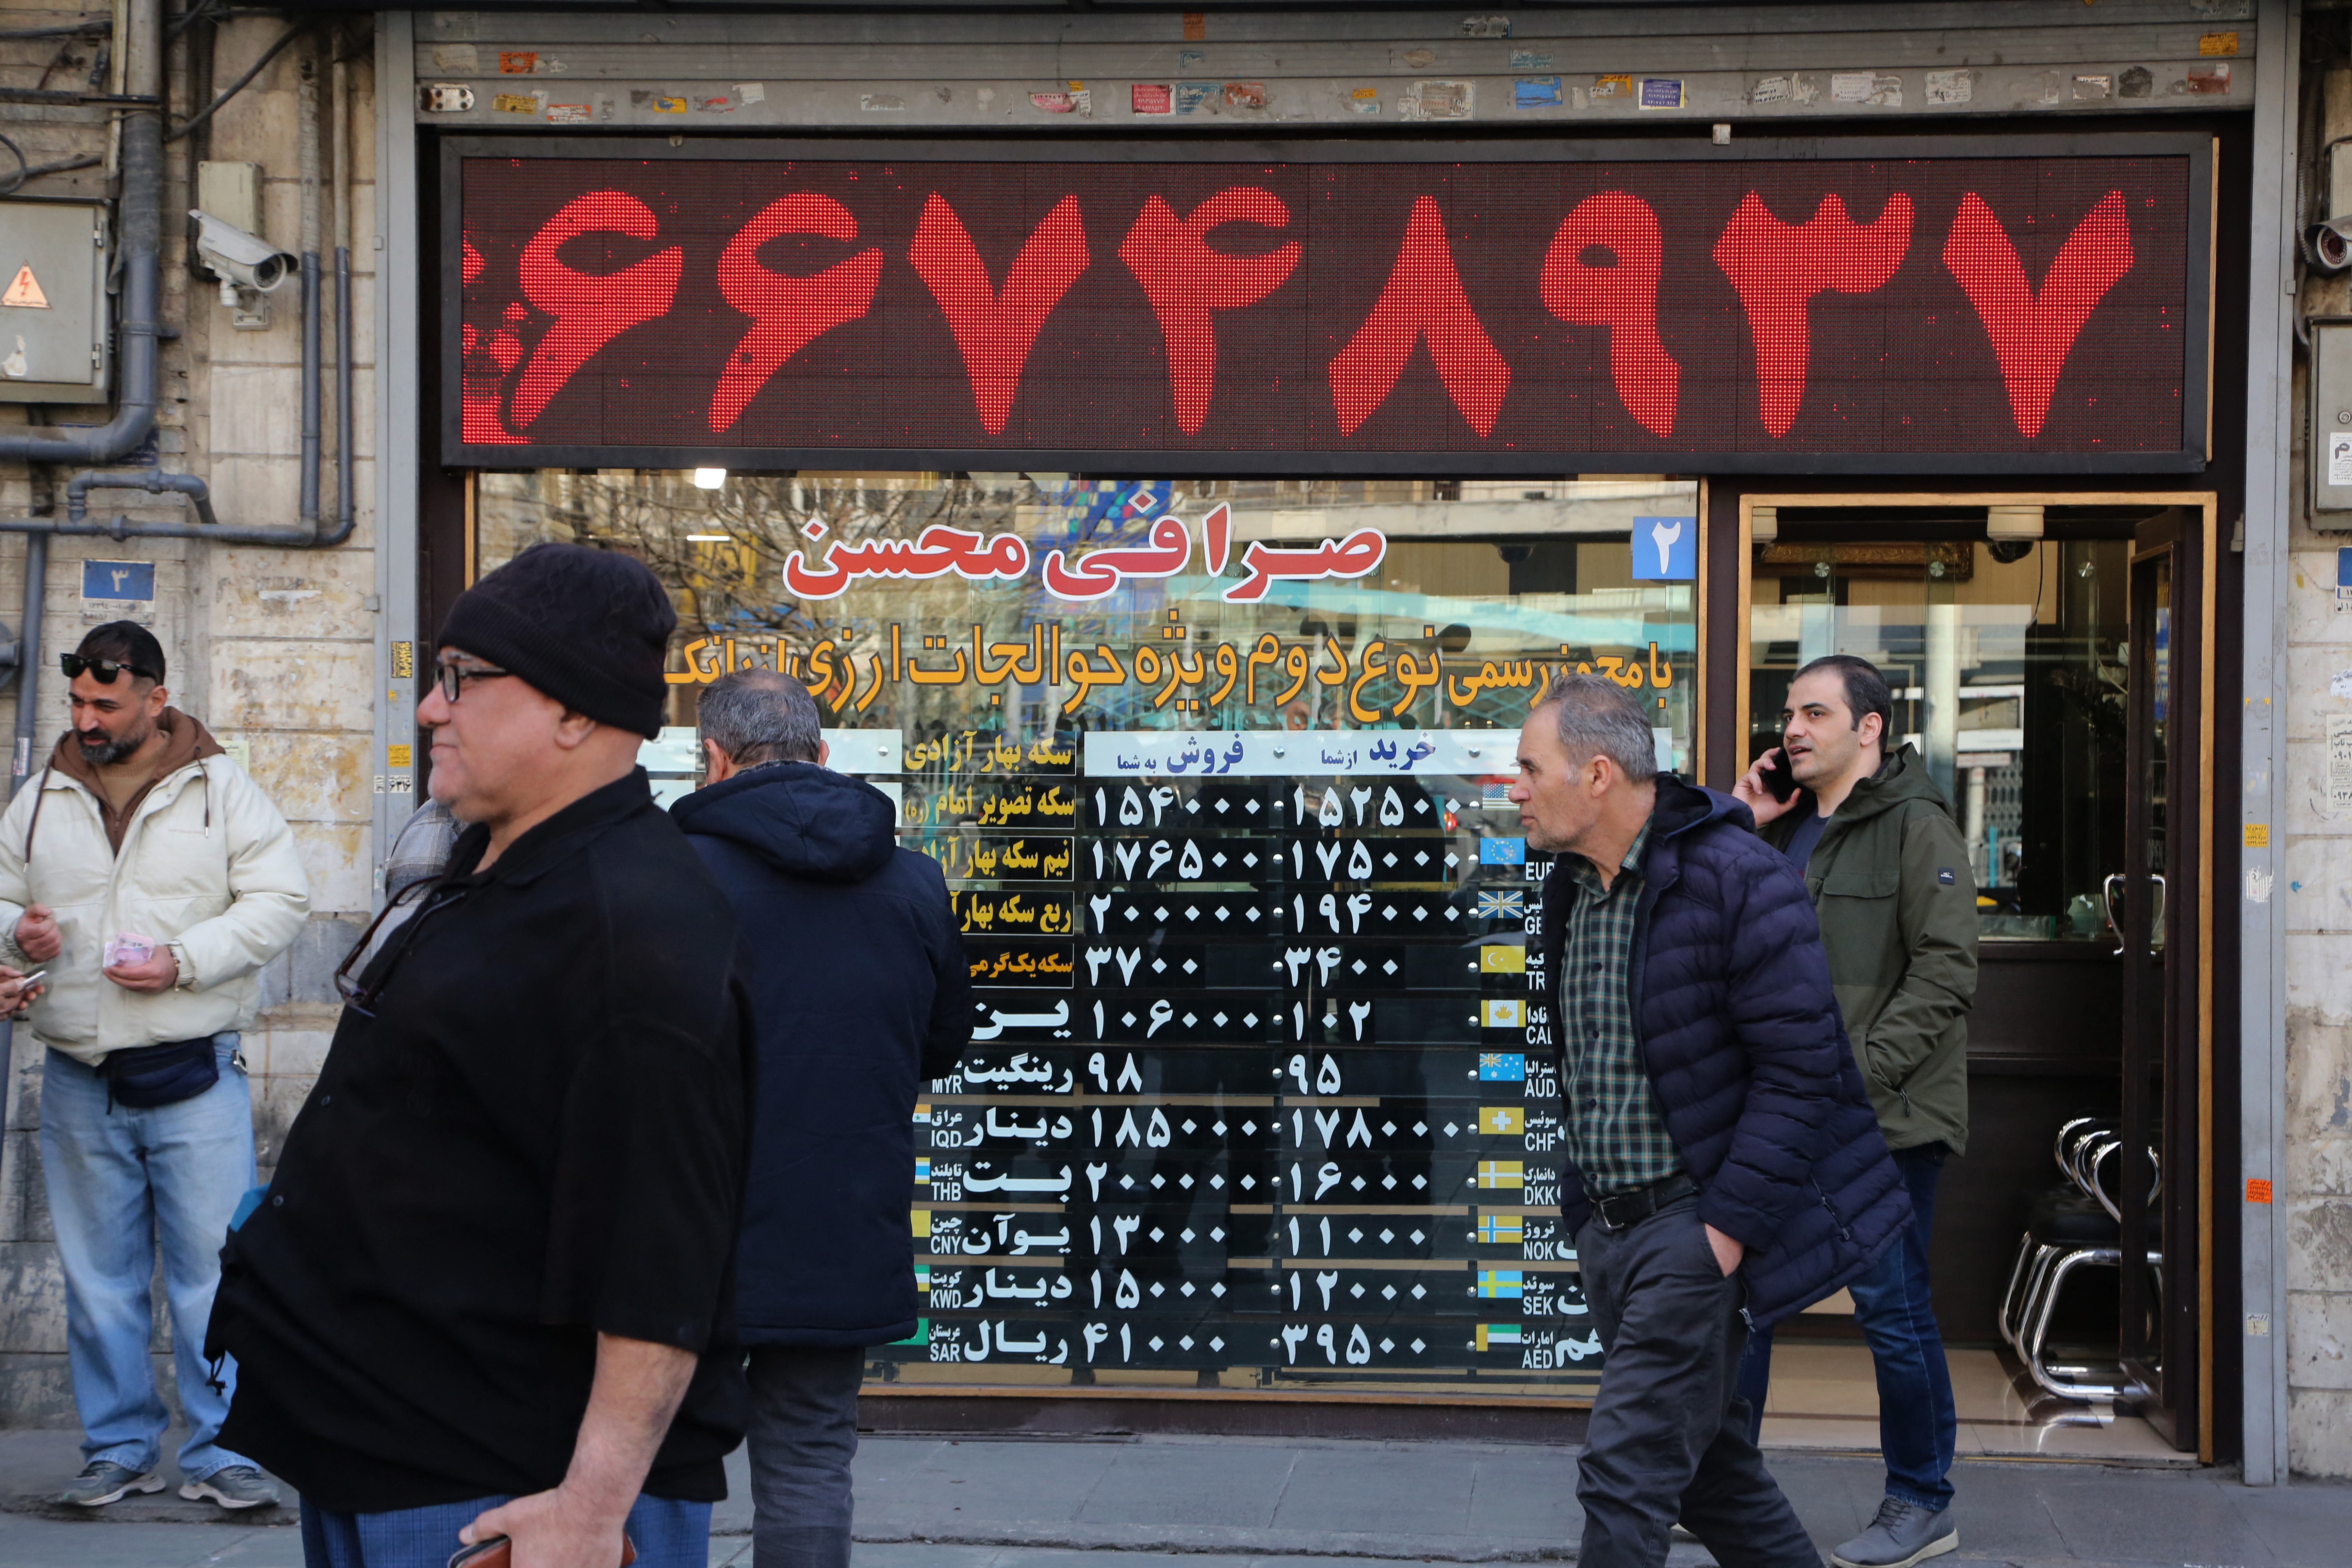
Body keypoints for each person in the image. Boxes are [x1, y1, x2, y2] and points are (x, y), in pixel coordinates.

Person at [204, 543, 755, 1568]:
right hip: (382, 1444)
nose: (430, 708)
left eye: (463, 679)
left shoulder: (634, 927)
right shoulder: (492, 866)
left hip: (503, 1492)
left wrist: (590, 1510)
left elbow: (663, 1259)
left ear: (574, 712)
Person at [1508, 672, 1908, 1568]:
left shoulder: (1738, 878)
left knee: (1624, 1474)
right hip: (1611, 1231)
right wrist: (1582, 1207)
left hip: (1690, 1232)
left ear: (1598, 775)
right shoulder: (1571, 889)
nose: (1515, 788)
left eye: (1531, 768)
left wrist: (1722, 1235)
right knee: (1712, 1475)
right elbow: (1582, 1057)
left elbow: (1802, 1072)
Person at [0, 621, 310, 1512]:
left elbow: (282, 898)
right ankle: (118, 1449)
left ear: (156, 699)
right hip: (78, 1075)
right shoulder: (41, 796)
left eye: (104, 703)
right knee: (98, 1282)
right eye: (77, 702)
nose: (85, 719)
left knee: (213, 1275)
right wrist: (18, 934)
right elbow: (3, 896)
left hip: (195, 1075)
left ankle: (222, 1452)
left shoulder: (223, 788)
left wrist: (184, 961)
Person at [670, 669, 969, 1568]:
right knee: (809, 1455)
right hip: (839, 1215)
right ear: (824, 754)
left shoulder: (669, 875)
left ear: (713, 758)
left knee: (655, 1452)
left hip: (685, 1222)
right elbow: (942, 1044)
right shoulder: (913, 882)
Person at [1732, 654, 1977, 1568]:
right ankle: (1723, 1487)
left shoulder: (1918, 824)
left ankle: (1922, 1500)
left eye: (1815, 714)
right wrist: (1744, 822)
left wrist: (1861, 1073)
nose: (1792, 729)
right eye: (1789, 714)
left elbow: (1947, 969)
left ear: (1869, 728)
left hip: (1884, 1117)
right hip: (1783, 1108)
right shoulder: (1788, 830)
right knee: (1744, 1301)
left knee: (1891, 1307)